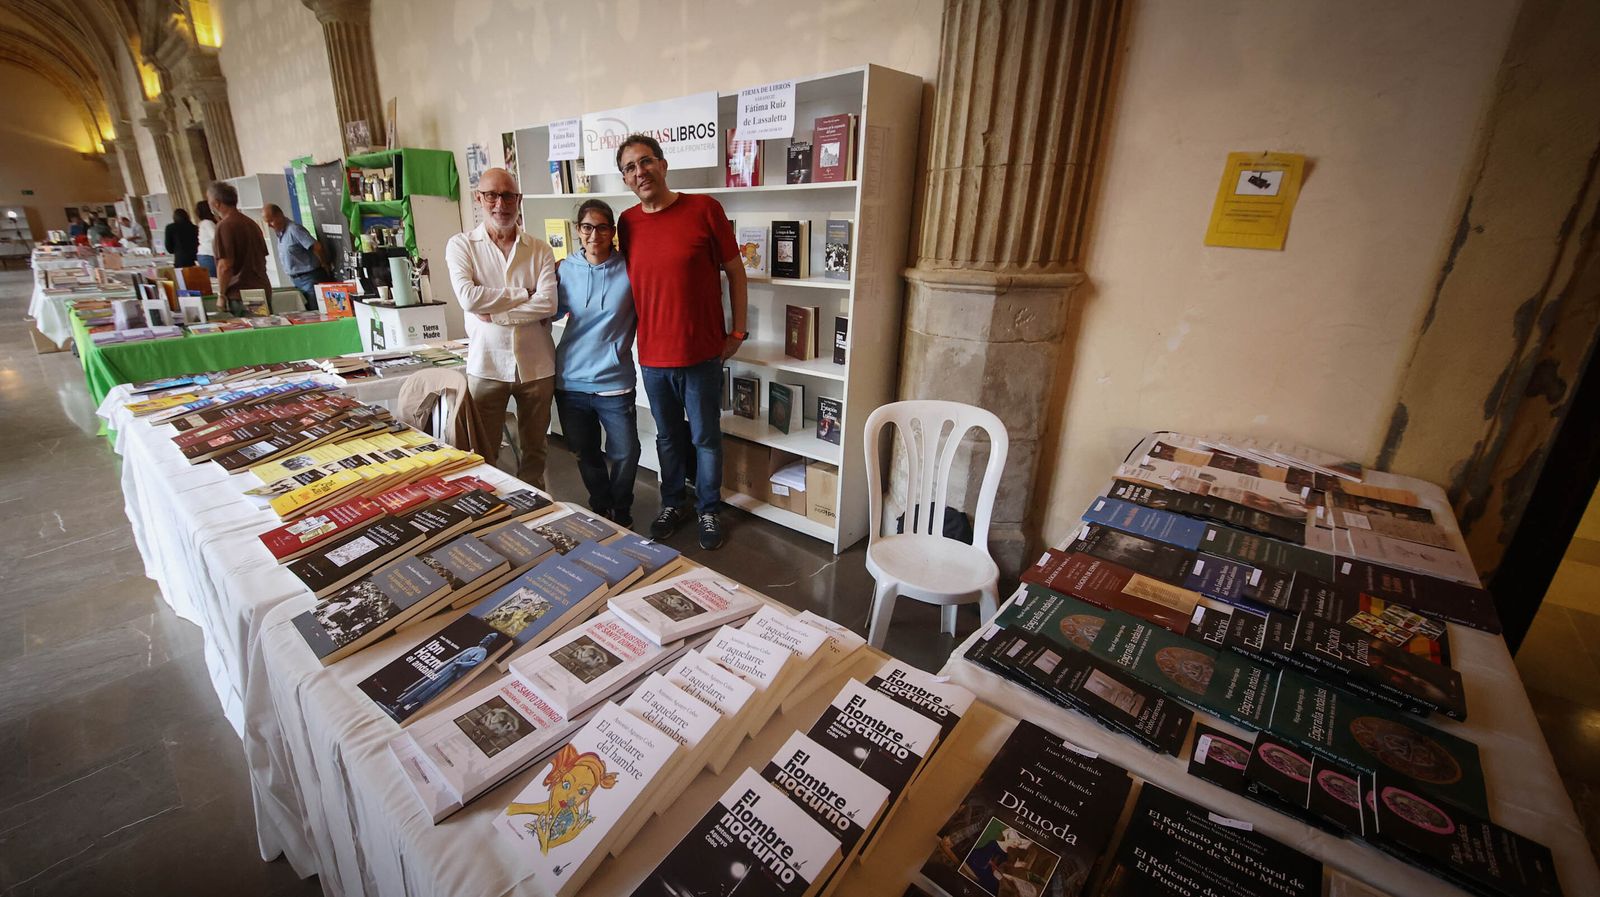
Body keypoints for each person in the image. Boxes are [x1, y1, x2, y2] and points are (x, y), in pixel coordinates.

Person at [616, 134, 748, 549]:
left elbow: (736, 272)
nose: (641, 172)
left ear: (663, 164)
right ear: (625, 178)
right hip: (653, 358)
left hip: (702, 353)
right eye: (630, 168)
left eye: (646, 162)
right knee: (668, 437)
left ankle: (709, 509)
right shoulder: (627, 222)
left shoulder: (705, 209)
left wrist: (738, 331)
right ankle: (674, 502)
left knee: (706, 437)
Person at [444, 167, 558, 489]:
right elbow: (469, 298)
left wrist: (495, 314)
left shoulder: (540, 249)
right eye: (492, 195)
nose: (500, 204)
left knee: (535, 449)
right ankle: (488, 508)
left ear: (519, 200)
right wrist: (524, 294)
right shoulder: (461, 245)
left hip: (536, 366)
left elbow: (548, 304)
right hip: (486, 364)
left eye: (508, 195)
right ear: (479, 198)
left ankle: (535, 507)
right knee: (482, 450)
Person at [554, 199, 640, 528]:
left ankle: (621, 506)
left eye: (602, 227)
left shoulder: (630, 268)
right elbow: (550, 311)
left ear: (612, 232)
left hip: (615, 380)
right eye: (587, 227)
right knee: (585, 453)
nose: (594, 234)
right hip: (570, 381)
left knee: (626, 451)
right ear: (578, 231)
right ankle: (601, 506)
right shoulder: (564, 270)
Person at [207, 180, 271, 314]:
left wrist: (221, 295)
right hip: (260, 288)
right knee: (262, 330)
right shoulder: (251, 223)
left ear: (216, 203)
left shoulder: (225, 226)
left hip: (241, 294)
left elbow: (225, 265)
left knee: (249, 331)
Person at [263, 203, 330, 310]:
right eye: (267, 222)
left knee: (317, 312)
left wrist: (324, 263)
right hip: (296, 280)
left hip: (310, 278)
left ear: (280, 215)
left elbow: (317, 247)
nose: (269, 226)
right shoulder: (280, 234)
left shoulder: (294, 230)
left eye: (271, 221)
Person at [195, 200, 219, 276]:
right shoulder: (208, 223)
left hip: (205, 255)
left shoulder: (204, 222)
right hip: (209, 255)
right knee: (215, 280)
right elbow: (216, 237)